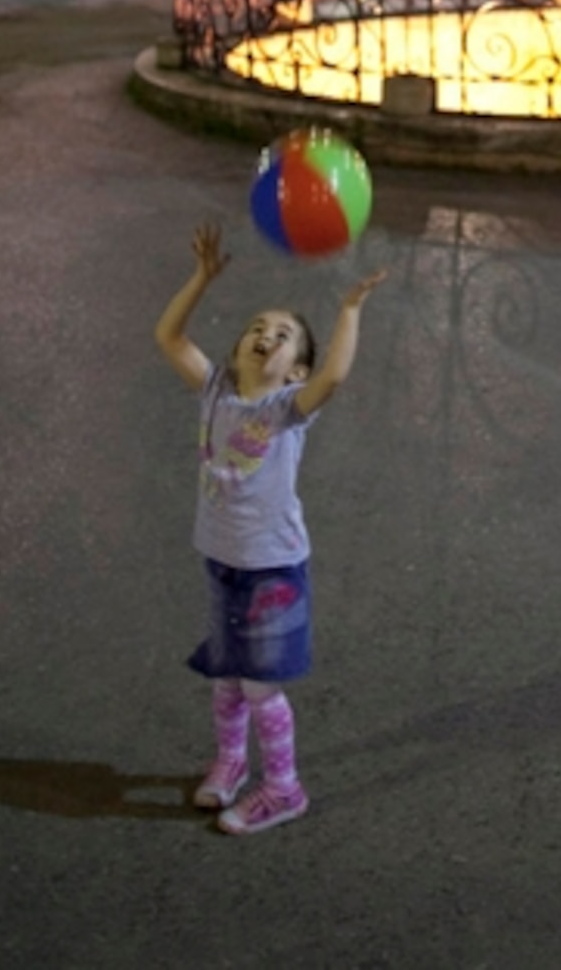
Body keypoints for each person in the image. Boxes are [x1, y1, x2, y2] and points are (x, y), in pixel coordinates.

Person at [153, 221, 386, 837]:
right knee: (227, 677)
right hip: (222, 560)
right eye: (256, 328)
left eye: (282, 336)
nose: (265, 335)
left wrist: (350, 310)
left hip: (272, 569)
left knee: (260, 687)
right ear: (236, 352)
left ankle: (284, 789)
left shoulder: (286, 410)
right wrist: (201, 280)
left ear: (295, 370)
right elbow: (169, 336)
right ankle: (231, 763)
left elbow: (334, 377)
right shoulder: (214, 392)